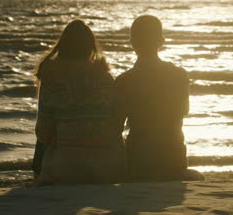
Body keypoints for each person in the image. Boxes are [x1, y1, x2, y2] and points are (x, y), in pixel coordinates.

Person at [33, 19, 125, 184]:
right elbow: (116, 123)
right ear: (91, 47)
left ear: (63, 46)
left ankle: (38, 172)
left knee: (46, 134)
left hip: (66, 168)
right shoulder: (105, 78)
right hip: (107, 167)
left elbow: (43, 131)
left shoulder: (52, 78)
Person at [113, 15, 190, 181]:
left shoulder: (124, 81)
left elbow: (115, 125)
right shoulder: (179, 75)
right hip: (173, 158)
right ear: (161, 41)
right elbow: (183, 111)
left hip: (139, 160)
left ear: (132, 43)